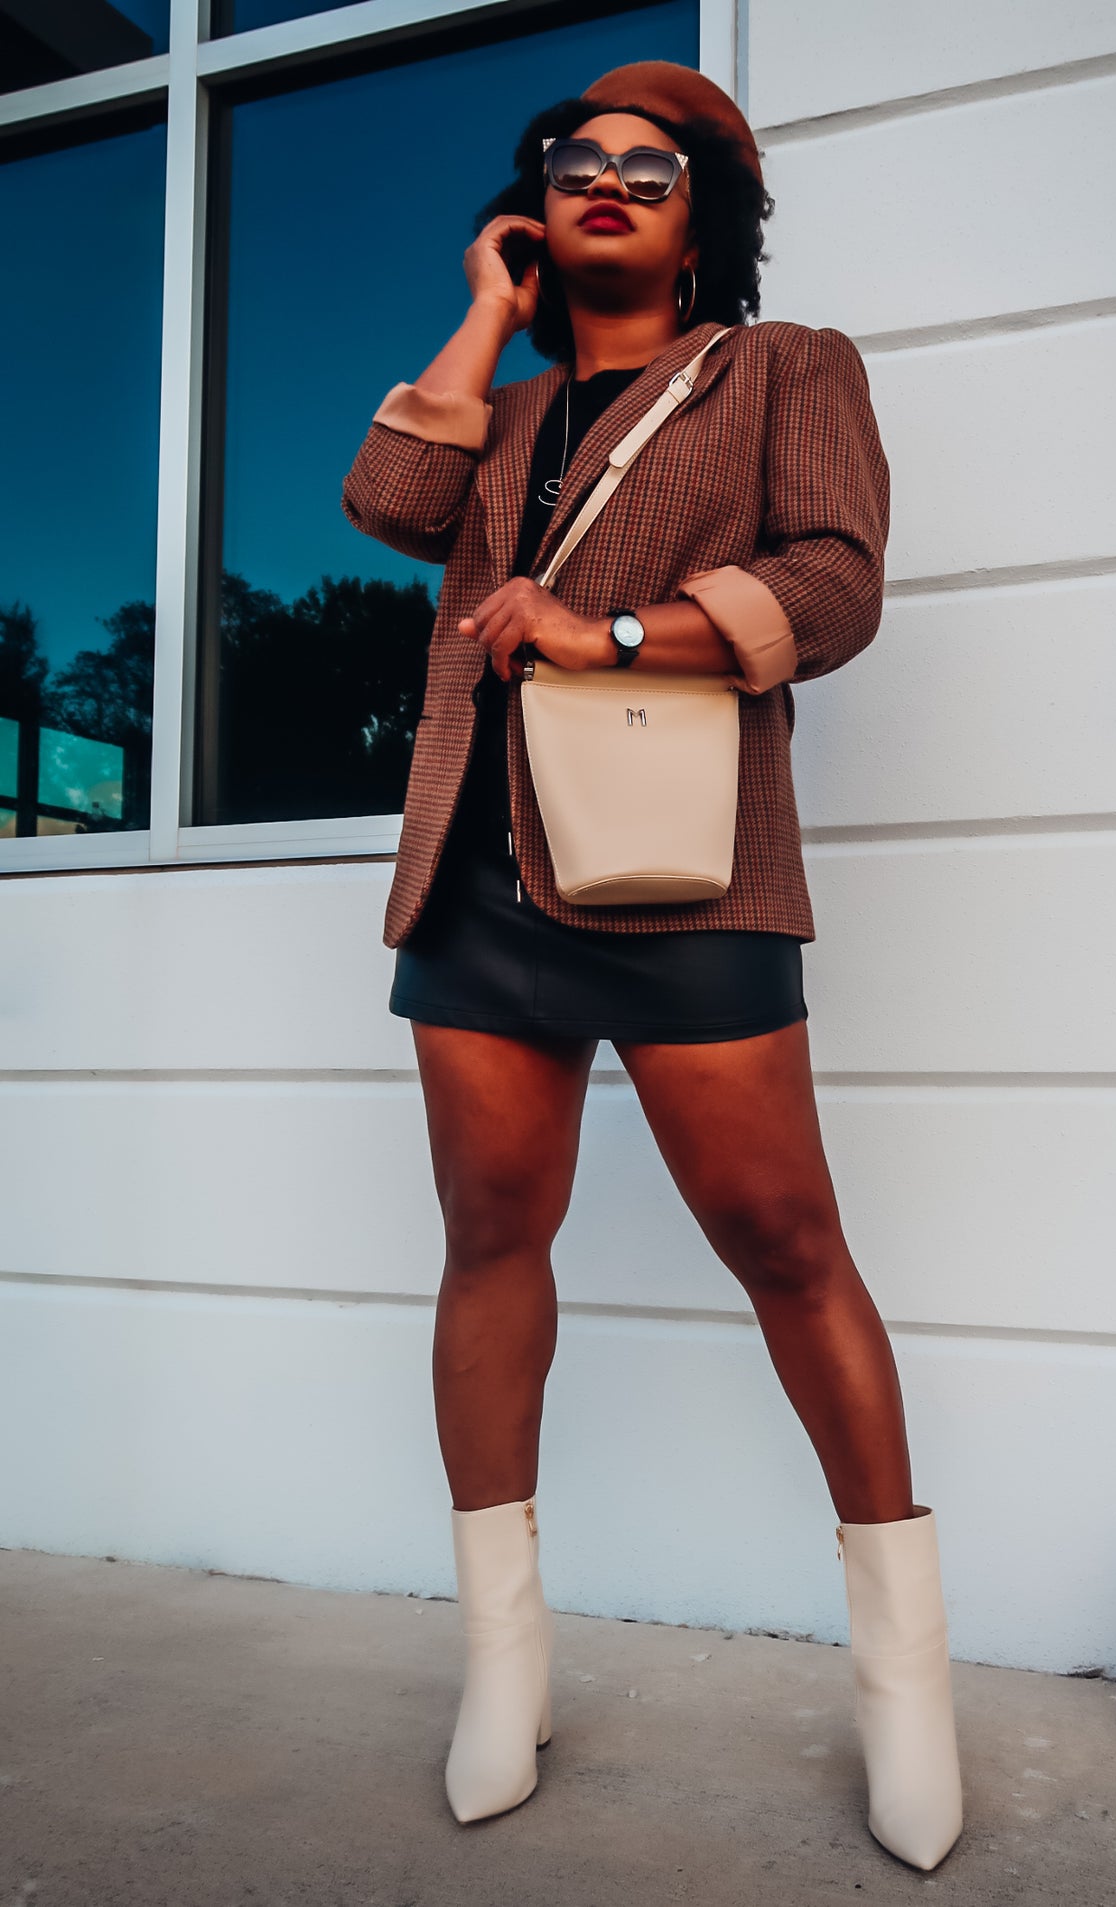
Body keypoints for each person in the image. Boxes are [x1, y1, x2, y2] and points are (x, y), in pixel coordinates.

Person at [340, 59, 963, 1872]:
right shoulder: (510, 407)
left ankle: (905, 1693)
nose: (606, 179)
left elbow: (834, 585)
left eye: (651, 167)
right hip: (477, 878)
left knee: (784, 1243)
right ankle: (503, 1670)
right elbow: (384, 502)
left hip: (687, 871)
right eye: (573, 162)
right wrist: (484, 312)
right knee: (490, 1242)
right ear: (535, 208)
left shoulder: (783, 370)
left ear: (704, 224)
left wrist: (605, 630)